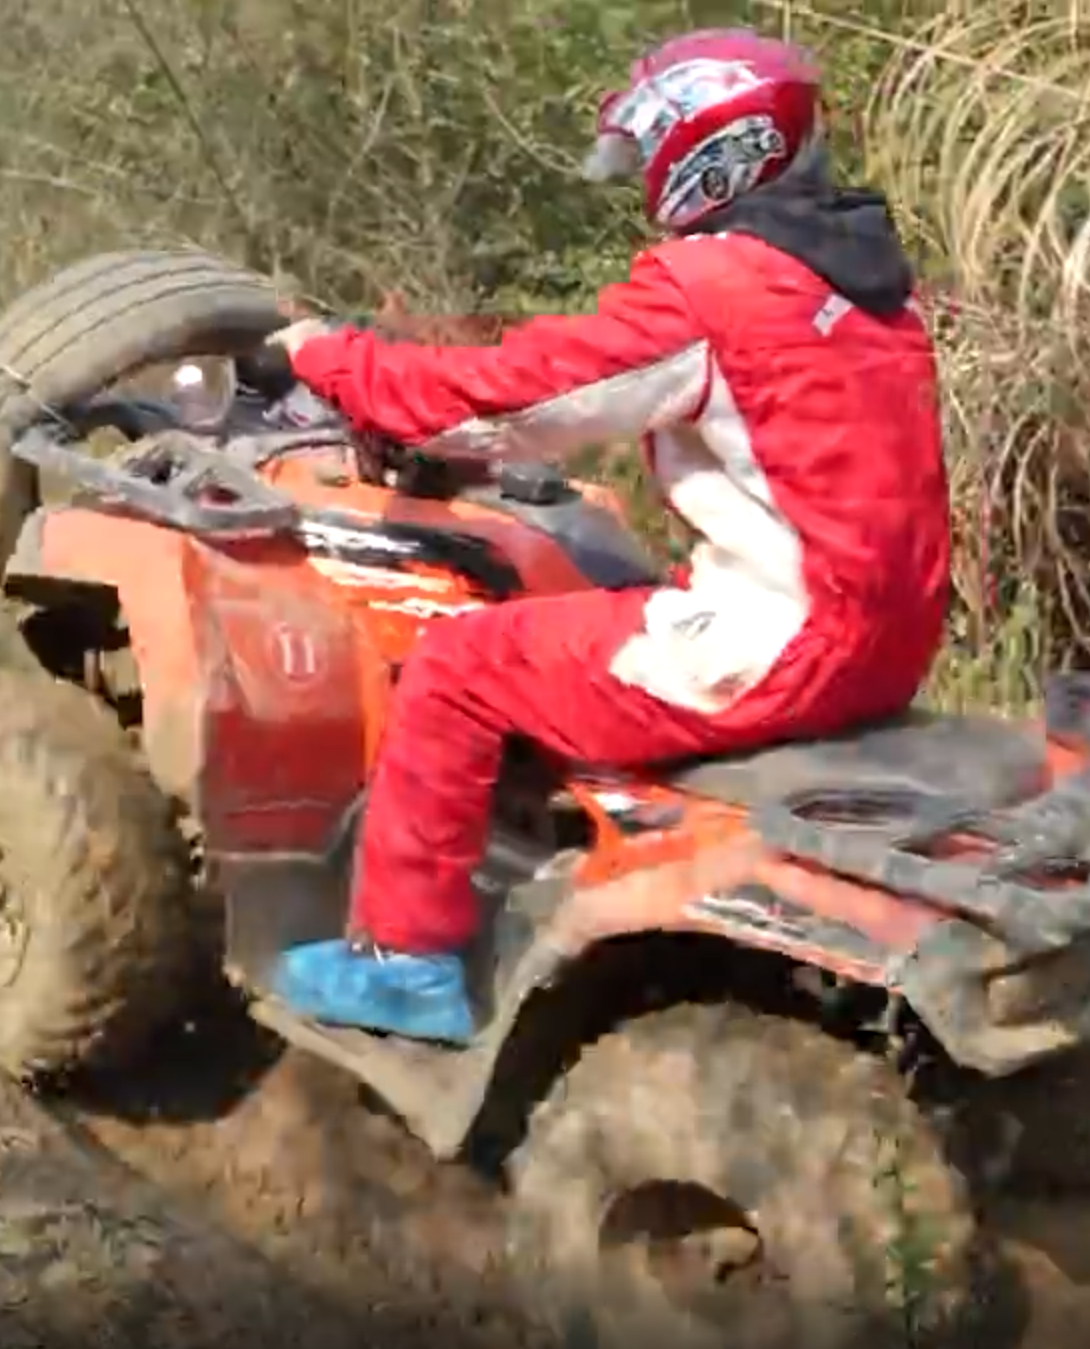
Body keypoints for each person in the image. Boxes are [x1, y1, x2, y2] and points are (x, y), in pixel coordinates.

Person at [262, 27, 952, 1046]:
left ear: (711, 147)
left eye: (653, 149)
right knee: (601, 603)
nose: (645, 175)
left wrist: (334, 359)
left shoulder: (717, 286)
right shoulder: (864, 277)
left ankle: (403, 962)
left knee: (458, 662)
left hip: (780, 643)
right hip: (888, 640)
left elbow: (506, 405)